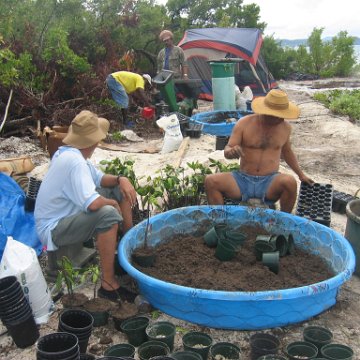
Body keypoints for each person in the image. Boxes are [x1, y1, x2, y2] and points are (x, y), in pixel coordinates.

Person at [34, 110, 138, 302]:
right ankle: (108, 284)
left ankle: (128, 244)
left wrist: (121, 179)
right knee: (107, 214)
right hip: (53, 229)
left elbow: (100, 179)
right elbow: (93, 205)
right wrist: (112, 203)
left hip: (64, 217)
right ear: (94, 141)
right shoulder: (74, 162)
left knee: (117, 188)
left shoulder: (71, 154)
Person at [205, 89, 314, 213]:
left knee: (290, 183)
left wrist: (301, 175)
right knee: (211, 181)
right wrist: (231, 151)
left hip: (269, 182)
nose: (279, 119)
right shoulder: (244, 123)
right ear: (266, 112)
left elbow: (287, 152)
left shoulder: (285, 128)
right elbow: (227, 150)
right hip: (242, 180)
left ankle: (282, 223)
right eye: (275, 115)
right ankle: (220, 221)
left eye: (281, 115)